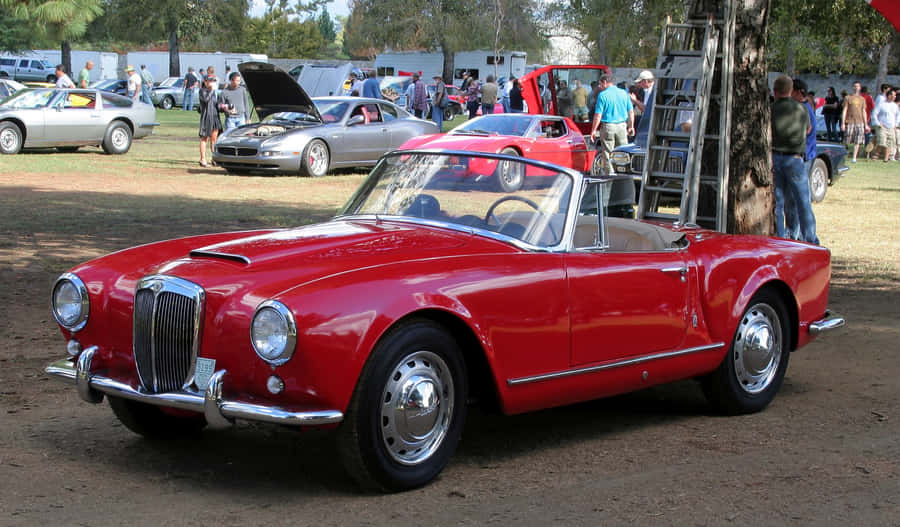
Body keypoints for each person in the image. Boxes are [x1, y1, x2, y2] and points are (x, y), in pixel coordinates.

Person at [772, 75, 818, 245]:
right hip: (795, 158)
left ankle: (779, 237)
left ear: (774, 91)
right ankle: (810, 238)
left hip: (775, 157)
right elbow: (808, 130)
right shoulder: (801, 109)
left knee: (778, 202)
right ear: (791, 90)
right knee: (802, 201)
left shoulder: (771, 108)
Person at [590, 73, 635, 217]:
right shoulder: (623, 93)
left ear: (604, 82)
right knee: (623, 155)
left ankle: (609, 185)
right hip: (622, 126)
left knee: (608, 155)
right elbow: (631, 111)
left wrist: (593, 130)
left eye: (600, 84)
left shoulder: (603, 95)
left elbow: (598, 114)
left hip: (608, 126)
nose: (599, 87)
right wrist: (631, 125)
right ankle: (625, 179)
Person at [198, 75, 223, 168]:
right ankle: (202, 159)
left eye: (212, 81)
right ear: (205, 81)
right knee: (204, 138)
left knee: (214, 138)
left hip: (215, 116)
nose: (211, 83)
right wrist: (211, 90)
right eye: (209, 81)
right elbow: (205, 100)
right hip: (206, 116)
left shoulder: (215, 92)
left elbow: (217, 104)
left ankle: (214, 158)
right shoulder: (202, 91)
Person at [842, 81, 869, 163]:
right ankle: (843, 155)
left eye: (857, 86)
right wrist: (843, 123)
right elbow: (845, 110)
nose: (856, 87)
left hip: (859, 121)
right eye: (854, 86)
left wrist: (866, 124)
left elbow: (864, 111)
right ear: (852, 87)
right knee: (847, 139)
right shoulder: (848, 97)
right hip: (850, 121)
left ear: (860, 88)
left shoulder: (862, 99)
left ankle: (854, 157)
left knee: (858, 140)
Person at [871, 88, 898, 162]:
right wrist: (878, 123)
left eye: (895, 95)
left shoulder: (895, 106)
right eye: (893, 95)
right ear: (888, 95)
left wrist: (895, 125)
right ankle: (876, 154)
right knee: (882, 141)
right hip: (882, 126)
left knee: (890, 142)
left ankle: (886, 158)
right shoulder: (881, 104)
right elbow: (874, 114)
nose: (894, 97)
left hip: (891, 127)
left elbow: (897, 116)